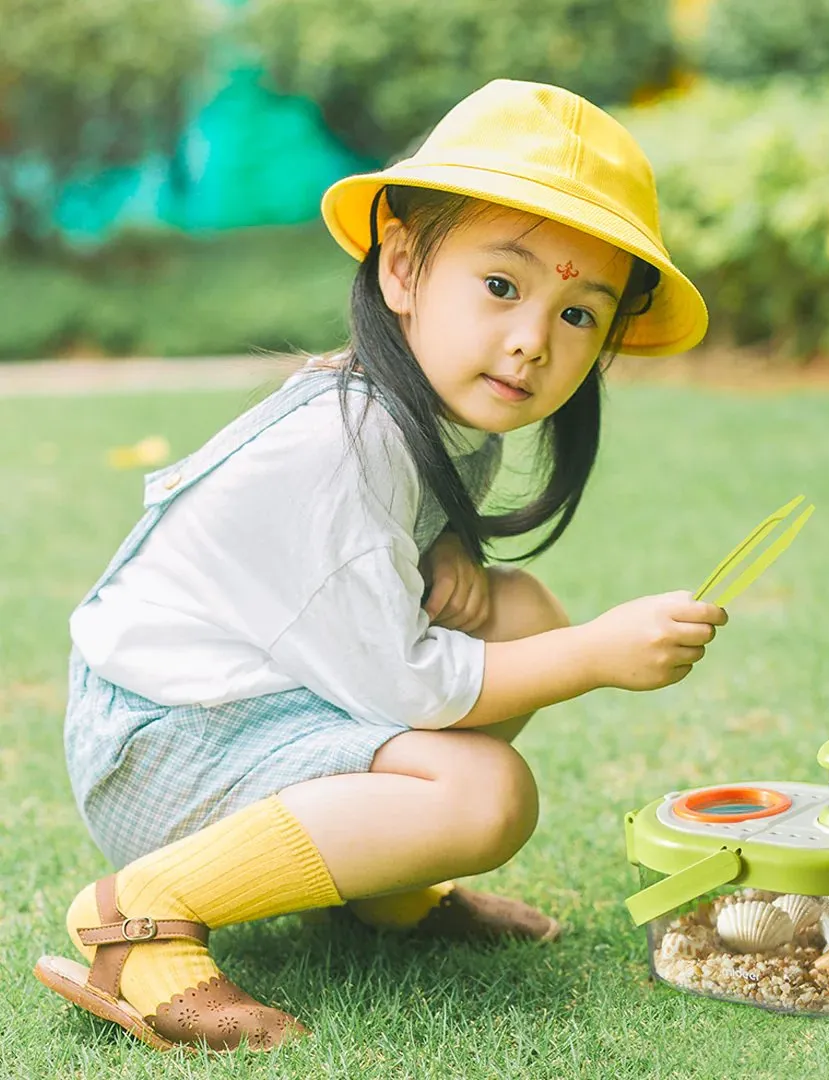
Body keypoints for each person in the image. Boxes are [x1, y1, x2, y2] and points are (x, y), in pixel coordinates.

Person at [34, 78, 725, 1052]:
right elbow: (410, 684)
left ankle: (382, 896)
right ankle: (138, 916)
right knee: (486, 794)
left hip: (246, 703)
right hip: (166, 744)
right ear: (401, 270)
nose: (532, 339)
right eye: (501, 286)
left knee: (515, 609)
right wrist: (598, 653)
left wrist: (442, 546)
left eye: (580, 315)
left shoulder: (420, 408)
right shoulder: (340, 445)